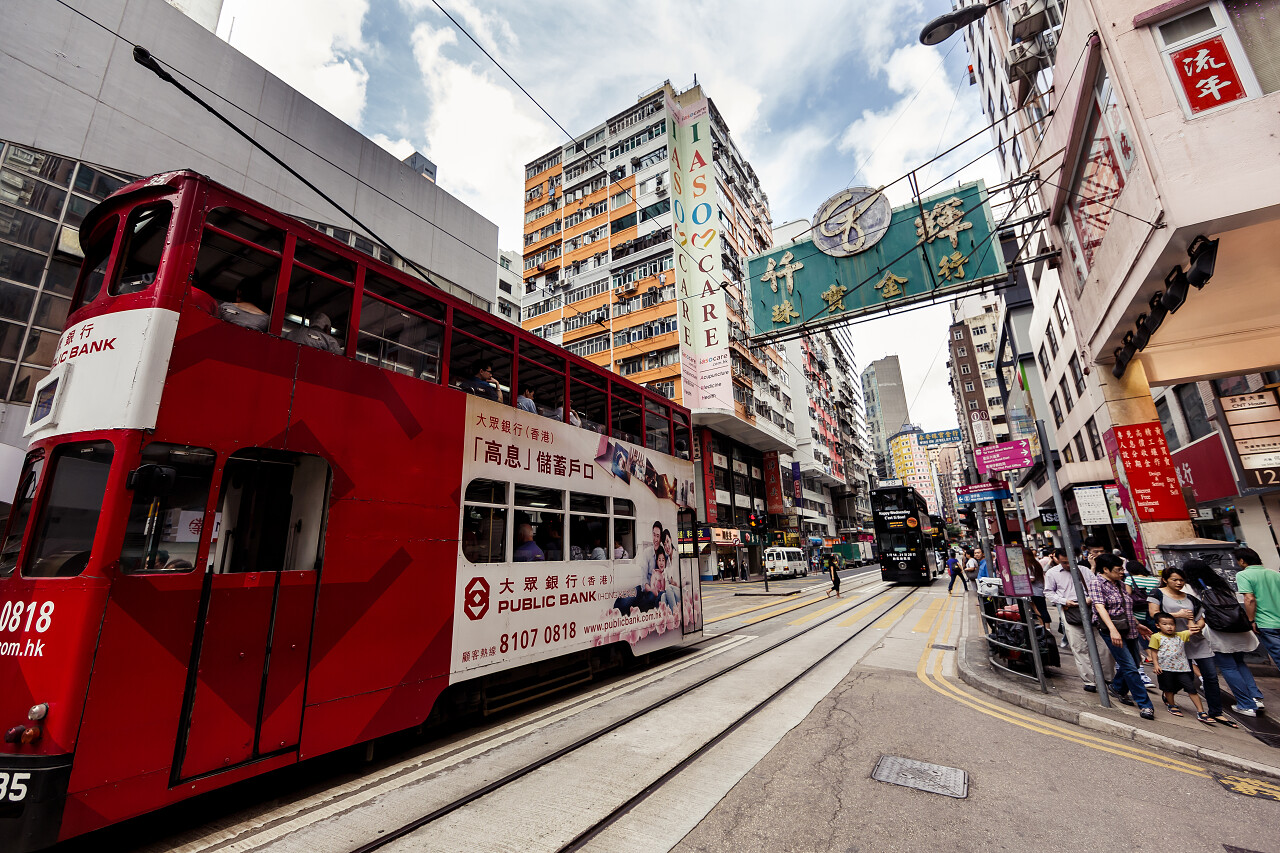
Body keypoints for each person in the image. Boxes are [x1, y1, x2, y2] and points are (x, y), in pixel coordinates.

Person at [1149, 566, 1238, 727]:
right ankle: (1169, 695)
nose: (1178, 583)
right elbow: (1154, 614)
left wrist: (1198, 626)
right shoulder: (1157, 594)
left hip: (1197, 641)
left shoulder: (1191, 598)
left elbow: (1201, 617)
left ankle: (1215, 712)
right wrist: (1177, 615)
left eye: (1181, 580)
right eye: (1174, 579)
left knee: (1210, 676)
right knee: (1184, 677)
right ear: (1165, 580)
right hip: (1174, 643)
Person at [1182, 559, 1264, 716]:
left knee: (1228, 667)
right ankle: (1255, 698)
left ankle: (1246, 704)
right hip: (1238, 630)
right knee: (1240, 664)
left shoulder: (1190, 588)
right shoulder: (1220, 584)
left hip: (1218, 633)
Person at [1089, 554, 1156, 719]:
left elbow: (1125, 608)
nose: (1122, 572)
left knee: (1134, 662)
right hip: (1112, 630)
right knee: (1131, 668)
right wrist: (1112, 630)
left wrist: (1138, 625)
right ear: (1105, 569)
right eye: (1118, 569)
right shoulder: (1097, 583)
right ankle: (1145, 705)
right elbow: (1100, 607)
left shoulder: (1120, 583)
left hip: (1130, 628)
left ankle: (1117, 687)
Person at [1045, 549, 1114, 691]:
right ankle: (1090, 681)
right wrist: (1064, 601)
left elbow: (1094, 587)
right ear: (1058, 560)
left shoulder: (1084, 570)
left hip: (1090, 609)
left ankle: (1109, 678)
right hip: (1070, 610)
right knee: (1079, 647)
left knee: (1103, 647)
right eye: (1064, 562)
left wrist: (1090, 598)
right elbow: (1048, 592)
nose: (1068, 565)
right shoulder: (1052, 573)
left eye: (1070, 561)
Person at [1148, 611, 1211, 723]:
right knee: (1168, 689)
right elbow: (1154, 651)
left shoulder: (1181, 635)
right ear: (1158, 625)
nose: (1169, 627)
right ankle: (1172, 705)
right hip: (1165, 668)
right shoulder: (1156, 637)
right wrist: (1156, 665)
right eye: (1165, 624)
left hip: (1182, 669)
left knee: (1191, 689)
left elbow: (1192, 629)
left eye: (1172, 624)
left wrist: (1190, 618)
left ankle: (1201, 712)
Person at [1235, 547, 1280, 671]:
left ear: (1242, 561)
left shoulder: (1243, 575)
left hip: (1266, 623)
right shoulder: (1274, 573)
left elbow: (1249, 599)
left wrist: (1251, 620)